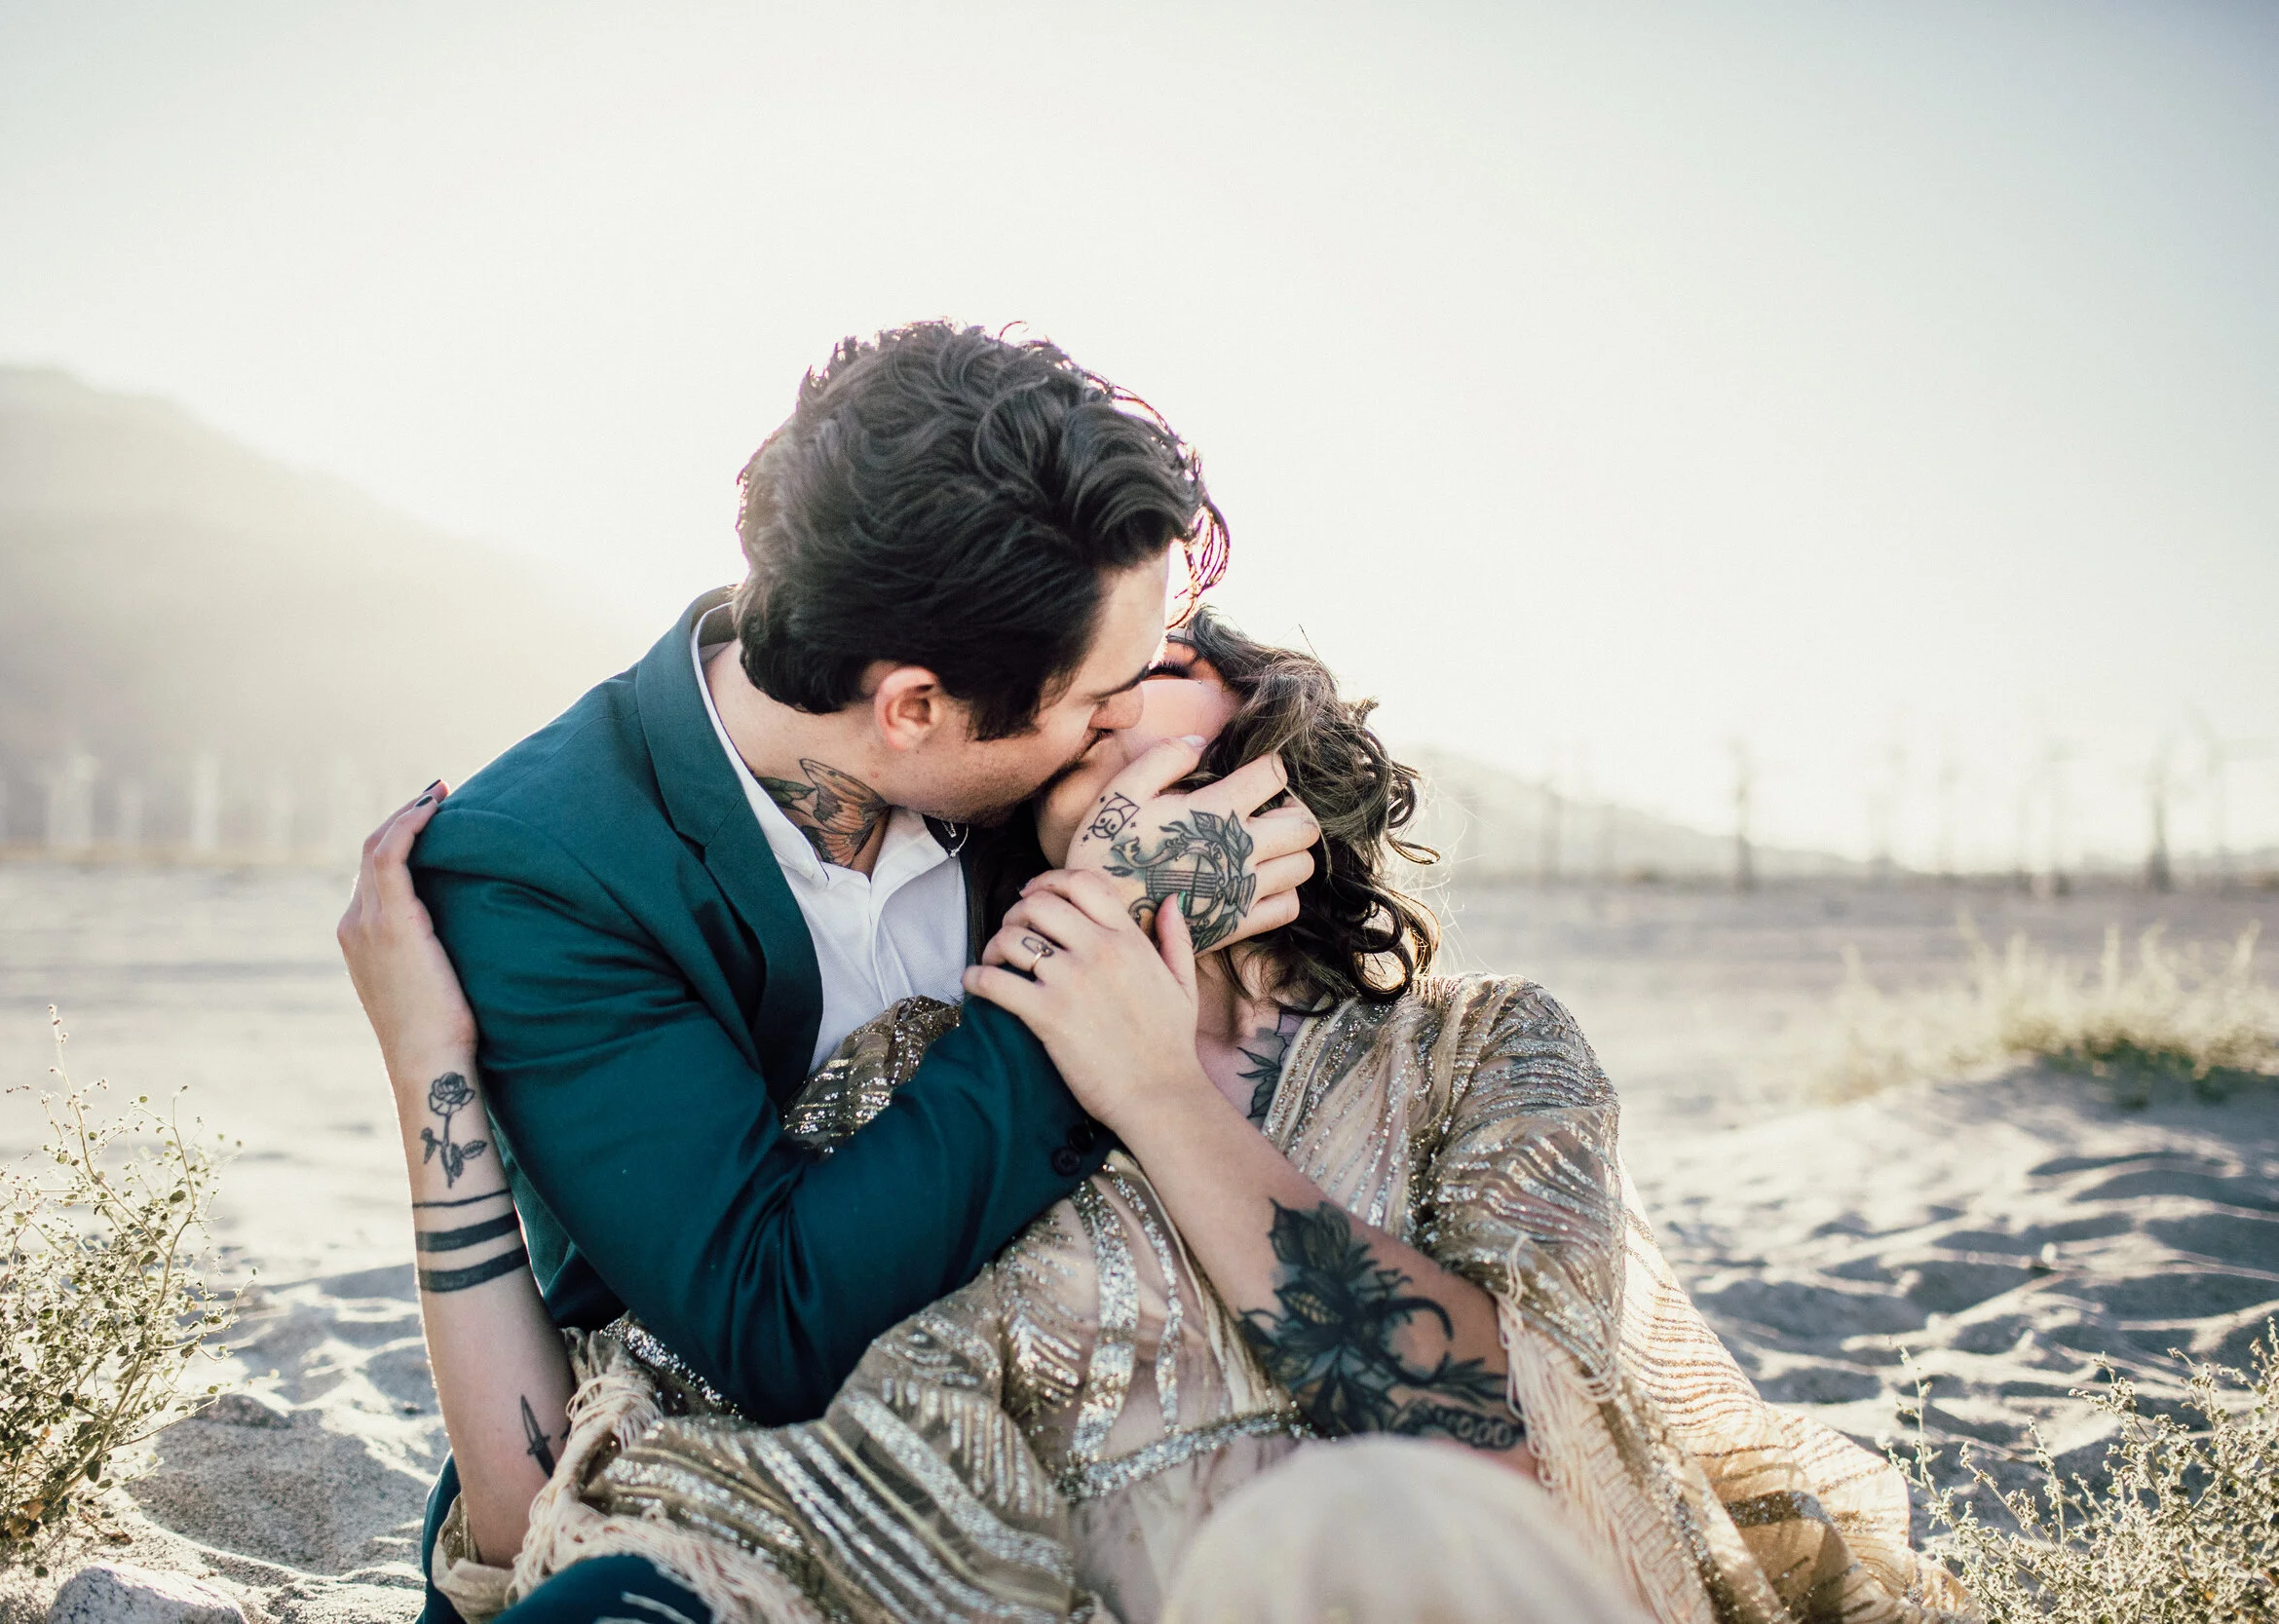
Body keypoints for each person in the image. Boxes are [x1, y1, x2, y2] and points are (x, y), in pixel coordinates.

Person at [344, 612, 1967, 1624]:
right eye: (1074, 688)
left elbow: (1497, 1431)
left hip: (1413, 1582)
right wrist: (433, 1066)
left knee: (1369, 1522)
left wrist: (1152, 1087)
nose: (1095, 693)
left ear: (1277, 756)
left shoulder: (1478, 1054)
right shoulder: (933, 1080)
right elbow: (586, 1496)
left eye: (1157, 665)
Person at [342, 323, 1321, 1624]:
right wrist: (1093, 932)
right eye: (1098, 700)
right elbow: (771, 1323)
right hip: (715, 1496)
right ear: (913, 708)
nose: (1122, 724)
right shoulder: (543, 869)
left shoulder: (1036, 771)